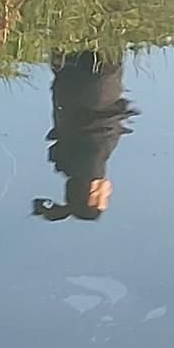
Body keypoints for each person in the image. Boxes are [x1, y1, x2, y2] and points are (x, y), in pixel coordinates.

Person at [32, 51, 133, 222]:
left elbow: (98, 136)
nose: (109, 192)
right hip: (70, 77)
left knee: (105, 43)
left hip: (98, 76)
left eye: (104, 198)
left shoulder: (92, 163)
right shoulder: (68, 163)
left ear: (93, 193)